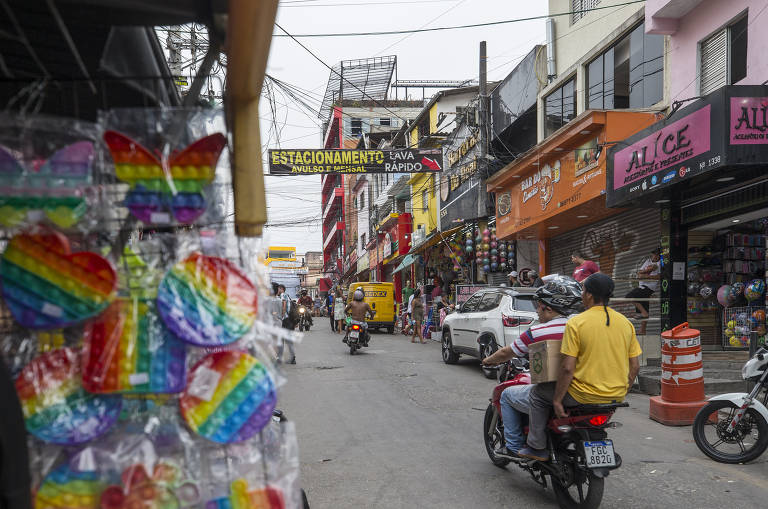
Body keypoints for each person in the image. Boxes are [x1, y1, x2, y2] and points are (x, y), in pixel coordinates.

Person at [518, 273, 642, 461]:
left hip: (582, 395)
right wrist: (622, 390)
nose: (581, 294)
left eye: (583, 291)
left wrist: (558, 400)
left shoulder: (577, 322)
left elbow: (567, 368)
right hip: (615, 396)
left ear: (590, 295)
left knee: (537, 394)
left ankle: (536, 446)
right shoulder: (625, 323)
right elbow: (635, 367)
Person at [481, 277, 582, 456]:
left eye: (539, 306)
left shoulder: (538, 331)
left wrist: (489, 360)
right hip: (585, 390)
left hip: (562, 392)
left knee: (506, 395)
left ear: (548, 308)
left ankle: (513, 446)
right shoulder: (581, 326)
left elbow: (508, 352)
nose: (537, 311)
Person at [626, 248, 660, 335]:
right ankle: (642, 330)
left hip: (648, 287)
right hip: (642, 286)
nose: (655, 256)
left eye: (657, 255)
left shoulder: (659, 263)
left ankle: (643, 313)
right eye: (654, 254)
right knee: (644, 306)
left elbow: (658, 275)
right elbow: (639, 273)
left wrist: (646, 274)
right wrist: (647, 271)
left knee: (629, 296)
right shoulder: (648, 261)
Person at [276, 284, 296, 364]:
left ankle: (280, 358)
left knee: (282, 340)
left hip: (285, 321)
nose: (277, 291)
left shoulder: (283, 295)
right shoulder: (287, 296)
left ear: (281, 289)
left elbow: (284, 306)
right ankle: (292, 358)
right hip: (288, 321)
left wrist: (282, 316)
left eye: (278, 289)